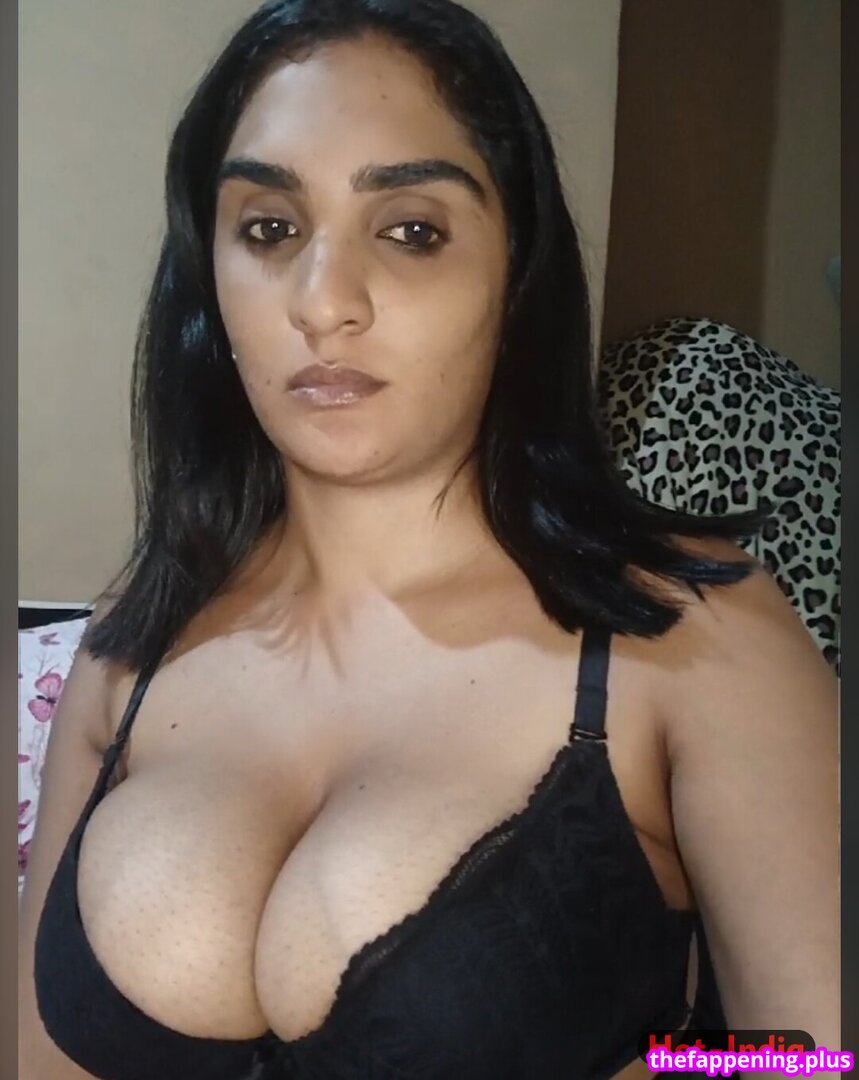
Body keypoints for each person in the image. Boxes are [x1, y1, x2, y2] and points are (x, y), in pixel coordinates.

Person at [17, 1, 838, 1078]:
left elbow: (808, 1059)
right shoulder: (136, 634)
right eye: (269, 229)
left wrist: (671, 1066)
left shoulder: (696, 632)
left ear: (515, 270)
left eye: (411, 230)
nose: (324, 302)